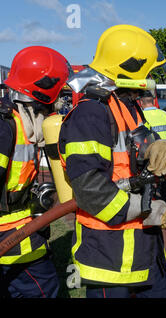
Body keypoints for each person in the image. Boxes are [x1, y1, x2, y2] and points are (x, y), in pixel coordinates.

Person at [59, 24, 166, 298]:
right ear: (131, 69)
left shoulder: (128, 106)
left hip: (145, 251)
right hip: (110, 260)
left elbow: (139, 152)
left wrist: (162, 148)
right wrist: (150, 209)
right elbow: (91, 190)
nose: (150, 78)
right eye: (148, 71)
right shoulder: (91, 114)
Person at [0, 46, 70, 297]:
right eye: (56, 99)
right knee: (43, 289)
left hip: (22, 234)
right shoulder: (7, 127)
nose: (58, 106)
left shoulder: (20, 125)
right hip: (16, 244)